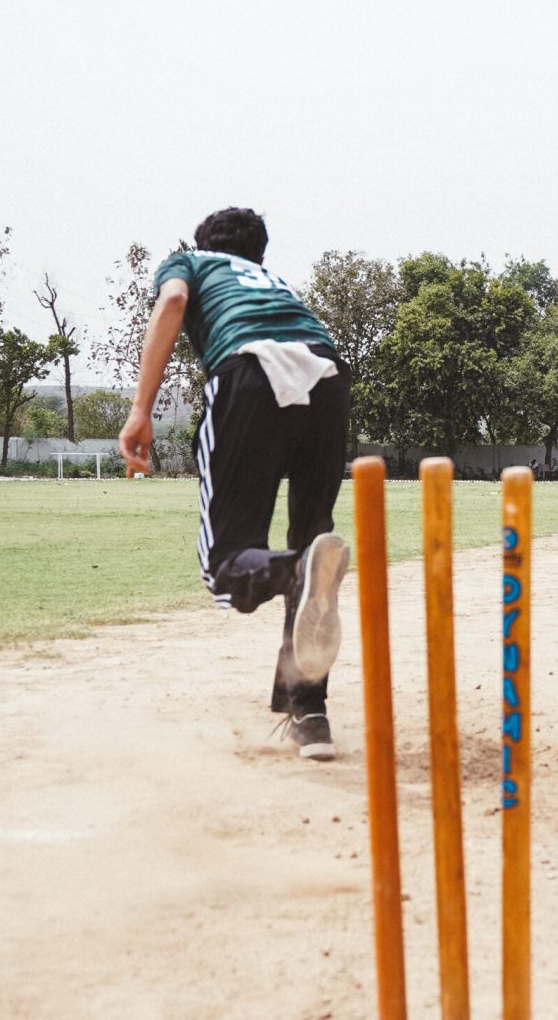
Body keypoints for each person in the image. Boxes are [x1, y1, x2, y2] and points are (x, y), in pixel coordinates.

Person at [117, 207, 353, 762]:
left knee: (226, 563)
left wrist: (141, 409)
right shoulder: (273, 280)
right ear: (260, 255)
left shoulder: (192, 262)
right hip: (328, 376)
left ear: (202, 245)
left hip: (251, 372)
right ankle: (309, 715)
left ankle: (296, 570)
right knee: (312, 551)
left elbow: (173, 302)